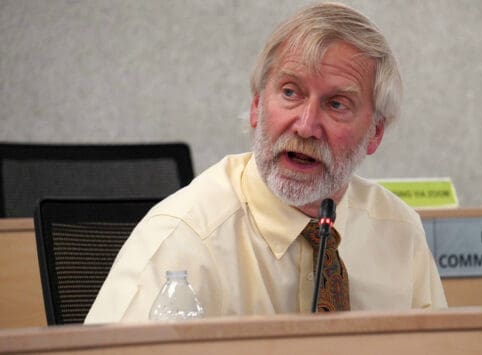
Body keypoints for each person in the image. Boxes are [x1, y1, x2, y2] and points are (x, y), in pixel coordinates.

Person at [85, 1, 447, 324]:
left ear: (375, 133)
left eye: (336, 104)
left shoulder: (399, 231)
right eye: (290, 92)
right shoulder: (184, 239)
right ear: (258, 106)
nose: (306, 125)